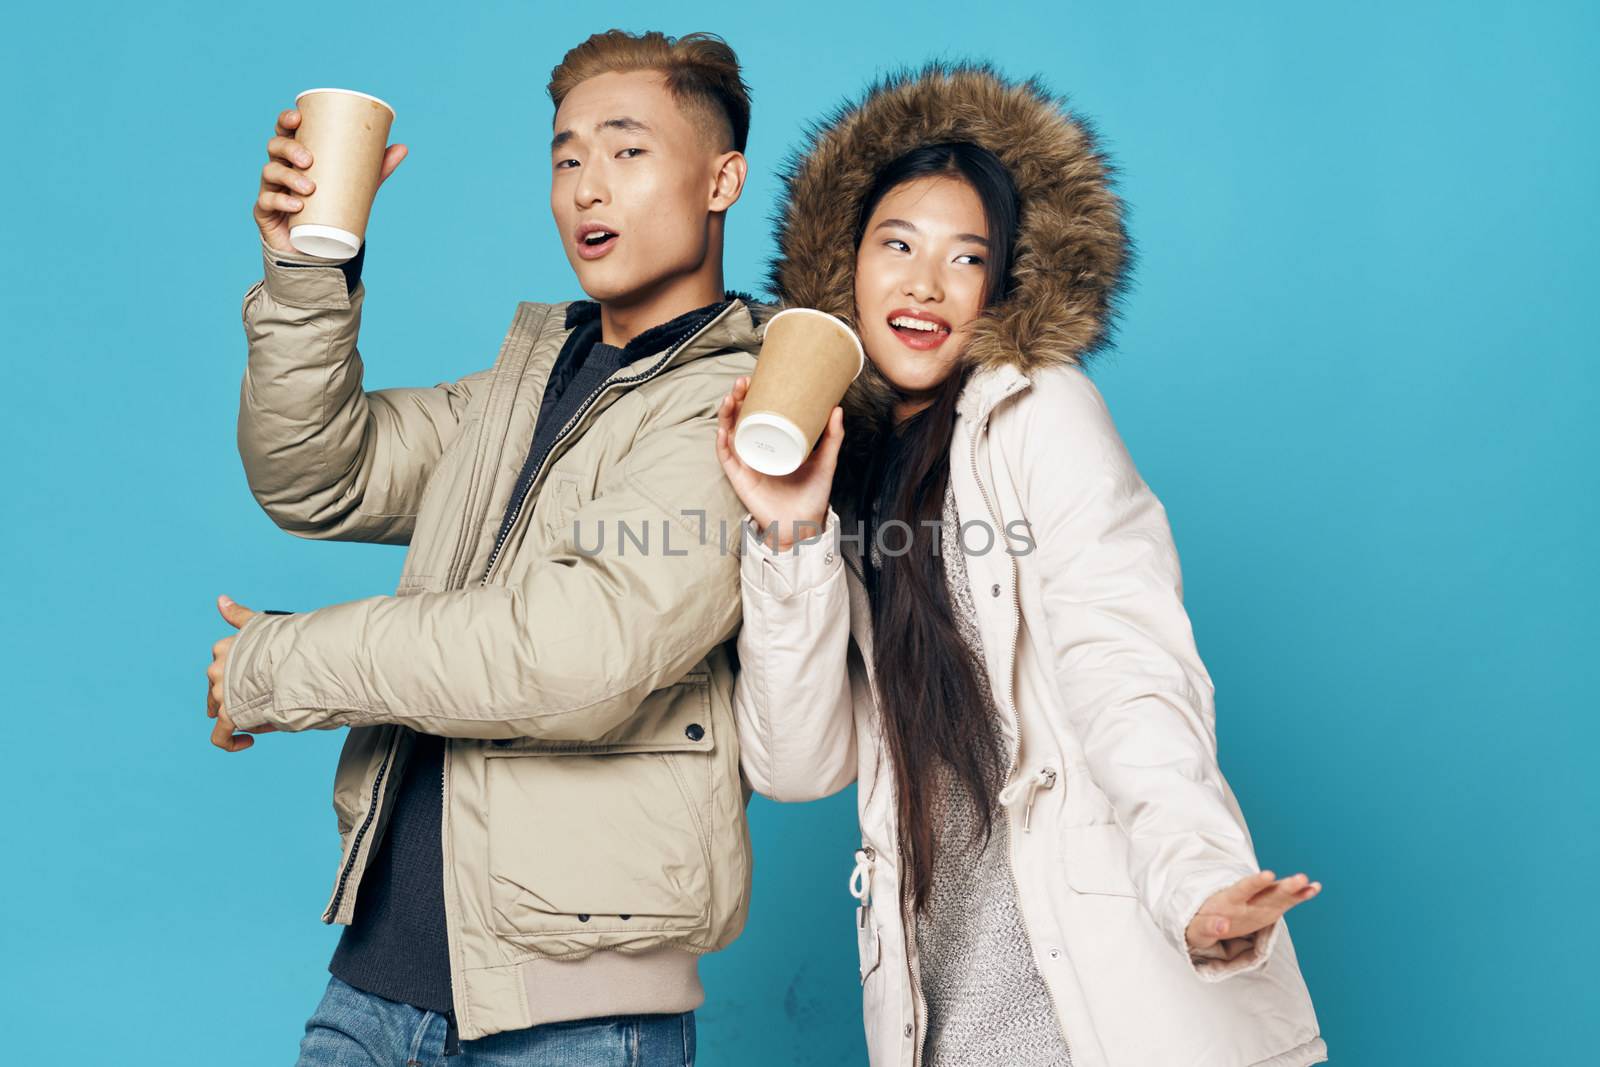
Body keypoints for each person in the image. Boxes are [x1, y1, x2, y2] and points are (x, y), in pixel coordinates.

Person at [716, 63, 1329, 1066]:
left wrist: (1198, 874)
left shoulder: (1039, 413)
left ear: (1002, 285)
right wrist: (788, 530)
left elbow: (1124, 660)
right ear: (844, 266)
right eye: (896, 245)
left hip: (1100, 1001)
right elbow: (794, 765)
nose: (923, 283)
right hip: (939, 1019)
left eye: (965, 258)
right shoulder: (852, 475)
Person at [206, 29, 768, 1065]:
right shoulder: (524, 383)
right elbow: (317, 472)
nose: (587, 187)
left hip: (577, 1019)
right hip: (372, 985)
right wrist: (302, 269)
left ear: (721, 177)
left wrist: (284, 663)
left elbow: (576, 655)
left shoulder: (738, 411)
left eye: (627, 150)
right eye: (565, 158)